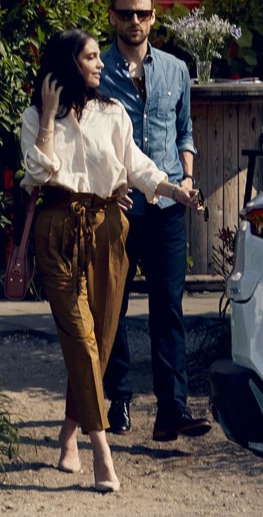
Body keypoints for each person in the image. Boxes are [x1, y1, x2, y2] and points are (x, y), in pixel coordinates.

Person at [20, 29, 201, 492]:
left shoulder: (112, 112)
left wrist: (171, 188)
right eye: (91, 57)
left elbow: (135, 165)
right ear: (69, 64)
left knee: (98, 339)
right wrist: (45, 121)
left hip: (107, 229)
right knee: (80, 337)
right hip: (57, 230)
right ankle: (101, 452)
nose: (101, 65)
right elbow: (37, 172)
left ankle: (67, 436)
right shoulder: (36, 116)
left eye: (100, 57)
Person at [99, 0, 212, 442]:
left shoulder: (176, 70)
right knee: (115, 306)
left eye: (142, 14)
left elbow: (184, 131)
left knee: (169, 307)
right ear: (112, 17)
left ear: (153, 17)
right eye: (125, 13)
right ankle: (119, 398)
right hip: (121, 205)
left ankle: (172, 410)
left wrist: (186, 177)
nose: (134, 22)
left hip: (167, 203)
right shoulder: (97, 70)